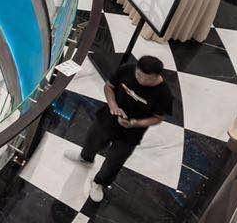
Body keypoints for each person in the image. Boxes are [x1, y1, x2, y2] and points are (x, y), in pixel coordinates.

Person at [70, 55, 172, 203]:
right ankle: (85, 158)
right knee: (93, 139)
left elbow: (158, 118)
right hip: (109, 116)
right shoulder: (127, 70)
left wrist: (135, 123)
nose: (141, 80)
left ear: (156, 76)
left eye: (147, 79)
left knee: (115, 160)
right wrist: (113, 105)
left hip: (132, 131)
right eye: (138, 75)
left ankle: (99, 183)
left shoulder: (164, 94)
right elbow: (109, 87)